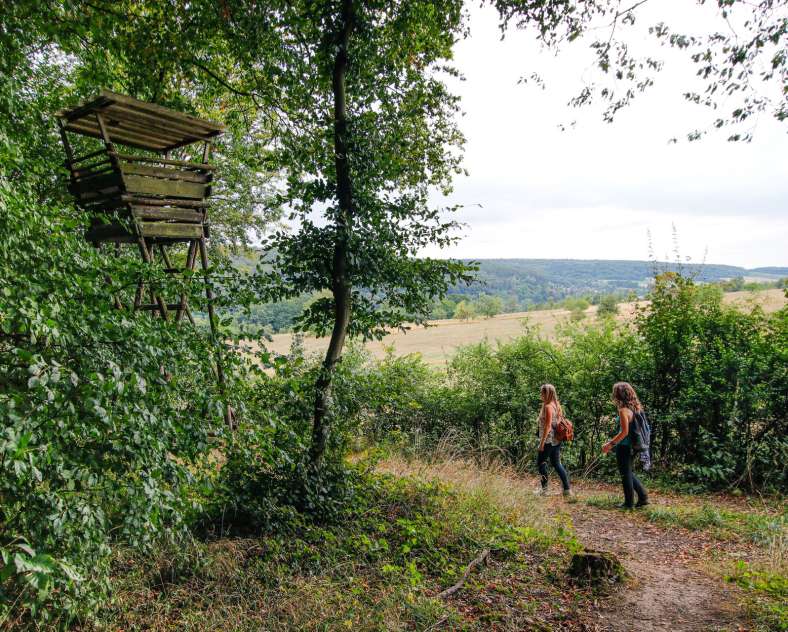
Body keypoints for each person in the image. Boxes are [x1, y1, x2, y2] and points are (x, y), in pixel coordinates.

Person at [602, 382, 649, 509]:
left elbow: (624, 432)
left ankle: (629, 504)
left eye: (614, 393)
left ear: (618, 394)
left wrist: (610, 444)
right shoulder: (636, 408)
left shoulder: (623, 410)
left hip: (624, 446)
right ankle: (643, 497)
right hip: (634, 446)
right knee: (627, 472)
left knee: (625, 474)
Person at [536, 384, 571, 496]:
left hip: (548, 440)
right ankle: (567, 490)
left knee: (540, 463)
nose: (541, 395)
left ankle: (544, 490)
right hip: (556, 440)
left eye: (542, 392)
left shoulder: (548, 407)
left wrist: (542, 443)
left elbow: (548, 426)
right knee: (556, 464)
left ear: (547, 393)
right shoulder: (556, 405)